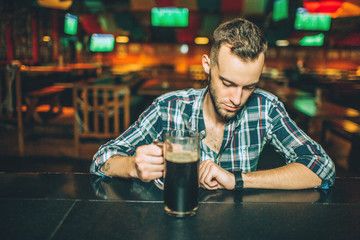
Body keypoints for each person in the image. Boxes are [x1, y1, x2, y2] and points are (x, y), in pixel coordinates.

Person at [91, 18, 335, 190]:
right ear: (207, 65)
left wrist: (238, 180)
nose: (237, 99)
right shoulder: (169, 107)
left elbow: (321, 166)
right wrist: (132, 166)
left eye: (249, 87)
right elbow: (102, 159)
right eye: (227, 83)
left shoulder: (266, 108)